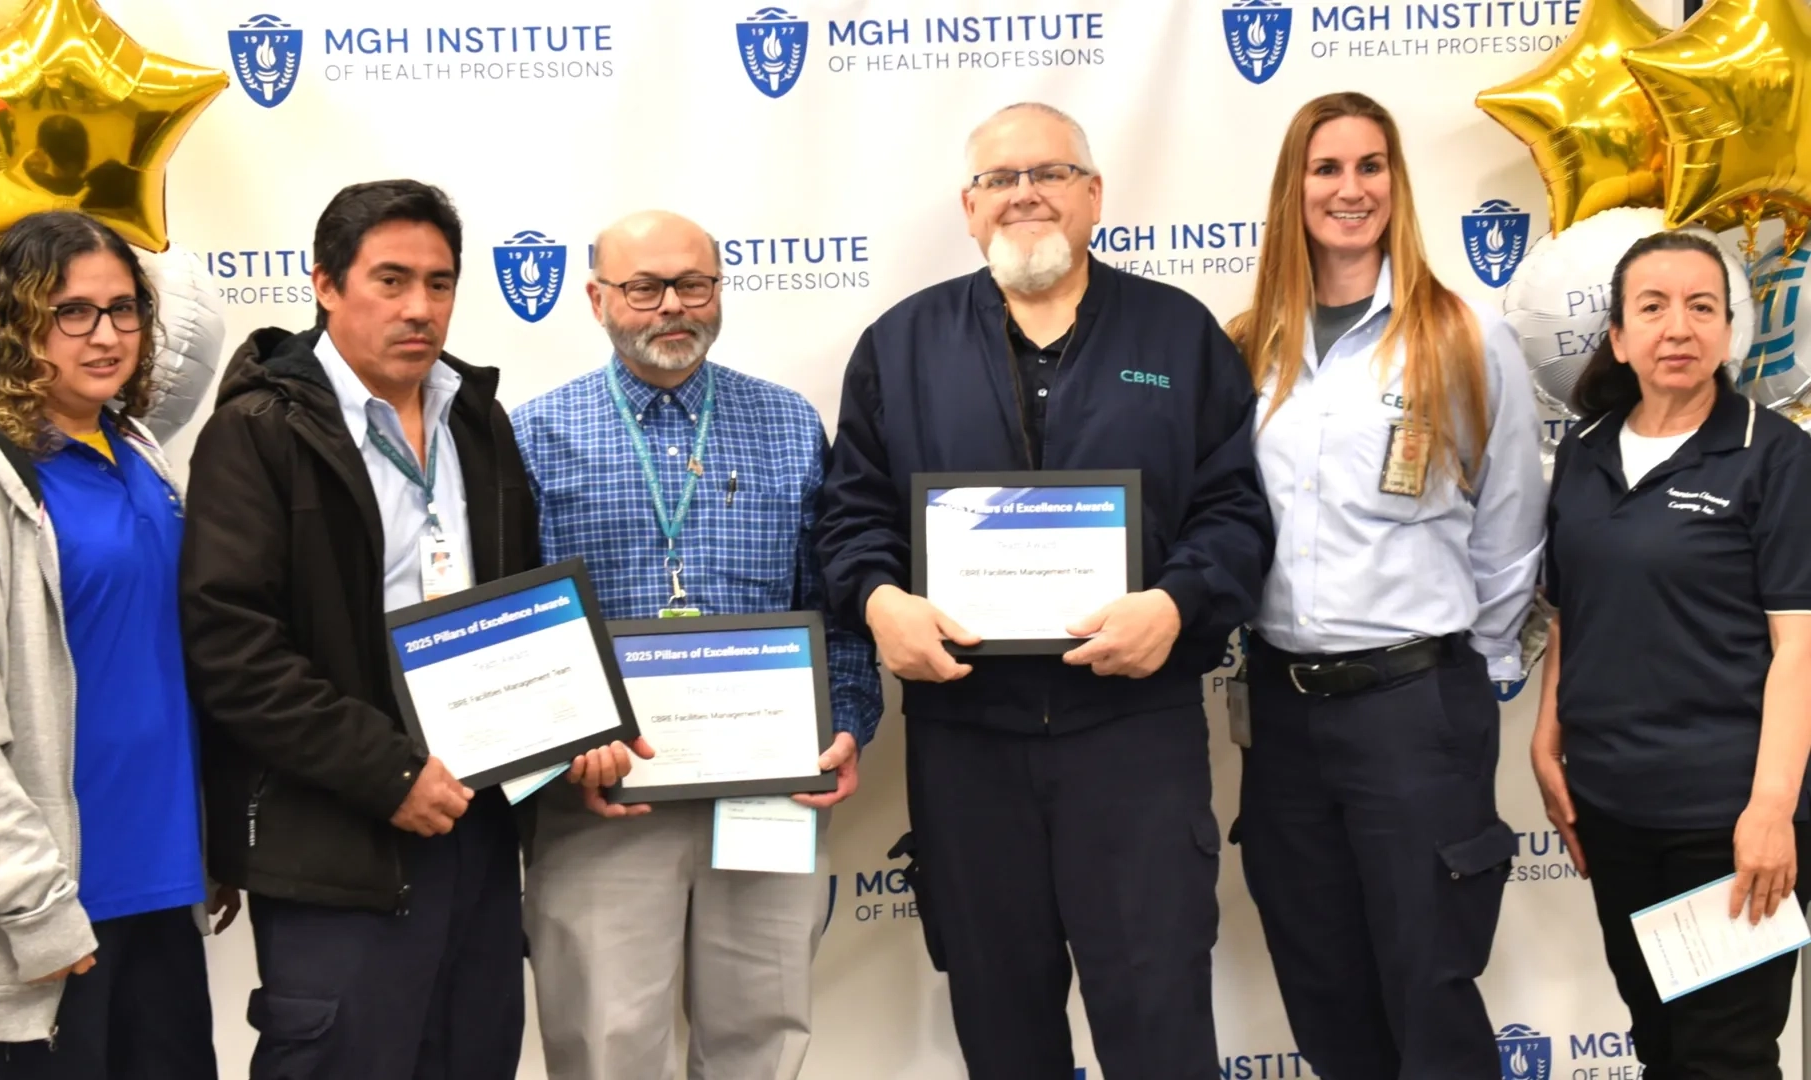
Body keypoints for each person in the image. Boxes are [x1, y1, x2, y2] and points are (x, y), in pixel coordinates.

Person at [815, 103, 1273, 1080]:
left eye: (1051, 173)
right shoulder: (900, 345)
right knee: (1001, 1025)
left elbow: (1237, 512)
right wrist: (881, 602)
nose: (1025, 194)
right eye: (1000, 179)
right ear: (969, 208)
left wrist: (1176, 603)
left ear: (1095, 194)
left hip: (1134, 736)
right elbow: (852, 518)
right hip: (968, 741)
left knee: (1159, 1021)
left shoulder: (1180, 334)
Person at [179, 179, 637, 1080]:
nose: (419, 308)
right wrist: (389, 774)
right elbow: (233, 649)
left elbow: (516, 606)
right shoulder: (257, 433)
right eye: (390, 281)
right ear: (325, 284)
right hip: (340, 833)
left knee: (473, 1056)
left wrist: (570, 731)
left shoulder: (477, 416)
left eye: (439, 283)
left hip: (477, 823)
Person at [509, 209, 884, 1080]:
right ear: (597, 298)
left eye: (693, 284)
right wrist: (568, 748)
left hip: (766, 794)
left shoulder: (787, 422)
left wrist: (847, 722)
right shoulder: (534, 433)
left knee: (763, 1039)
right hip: (606, 799)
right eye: (644, 288)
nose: (672, 306)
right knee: (606, 1047)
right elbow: (519, 630)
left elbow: (832, 602)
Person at [1224, 91, 1547, 1080]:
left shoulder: (1462, 335)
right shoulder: (1247, 344)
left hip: (1414, 707)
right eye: (1326, 168)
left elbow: (1510, 523)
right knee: (1321, 982)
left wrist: (1471, 667)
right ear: (1293, 188)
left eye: (1371, 166)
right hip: (1282, 712)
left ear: (1397, 185)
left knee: (1430, 984)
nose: (1350, 188)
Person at [0, 210, 234, 1078]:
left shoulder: (140, 452)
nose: (106, 334)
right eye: (72, 311)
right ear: (17, 322)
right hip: (54, 914)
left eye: (124, 309)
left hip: (164, 887)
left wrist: (213, 846)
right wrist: (31, 907)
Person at [1533, 230, 1811, 1078]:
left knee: (1724, 1058)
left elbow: (1799, 648)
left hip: (1725, 819)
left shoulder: (1776, 456)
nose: (1678, 327)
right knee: (1657, 1045)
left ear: (1729, 332)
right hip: (1613, 808)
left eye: (1701, 306)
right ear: (1619, 338)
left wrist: (1771, 811)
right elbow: (1568, 614)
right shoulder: (1583, 453)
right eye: (1652, 308)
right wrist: (1546, 739)